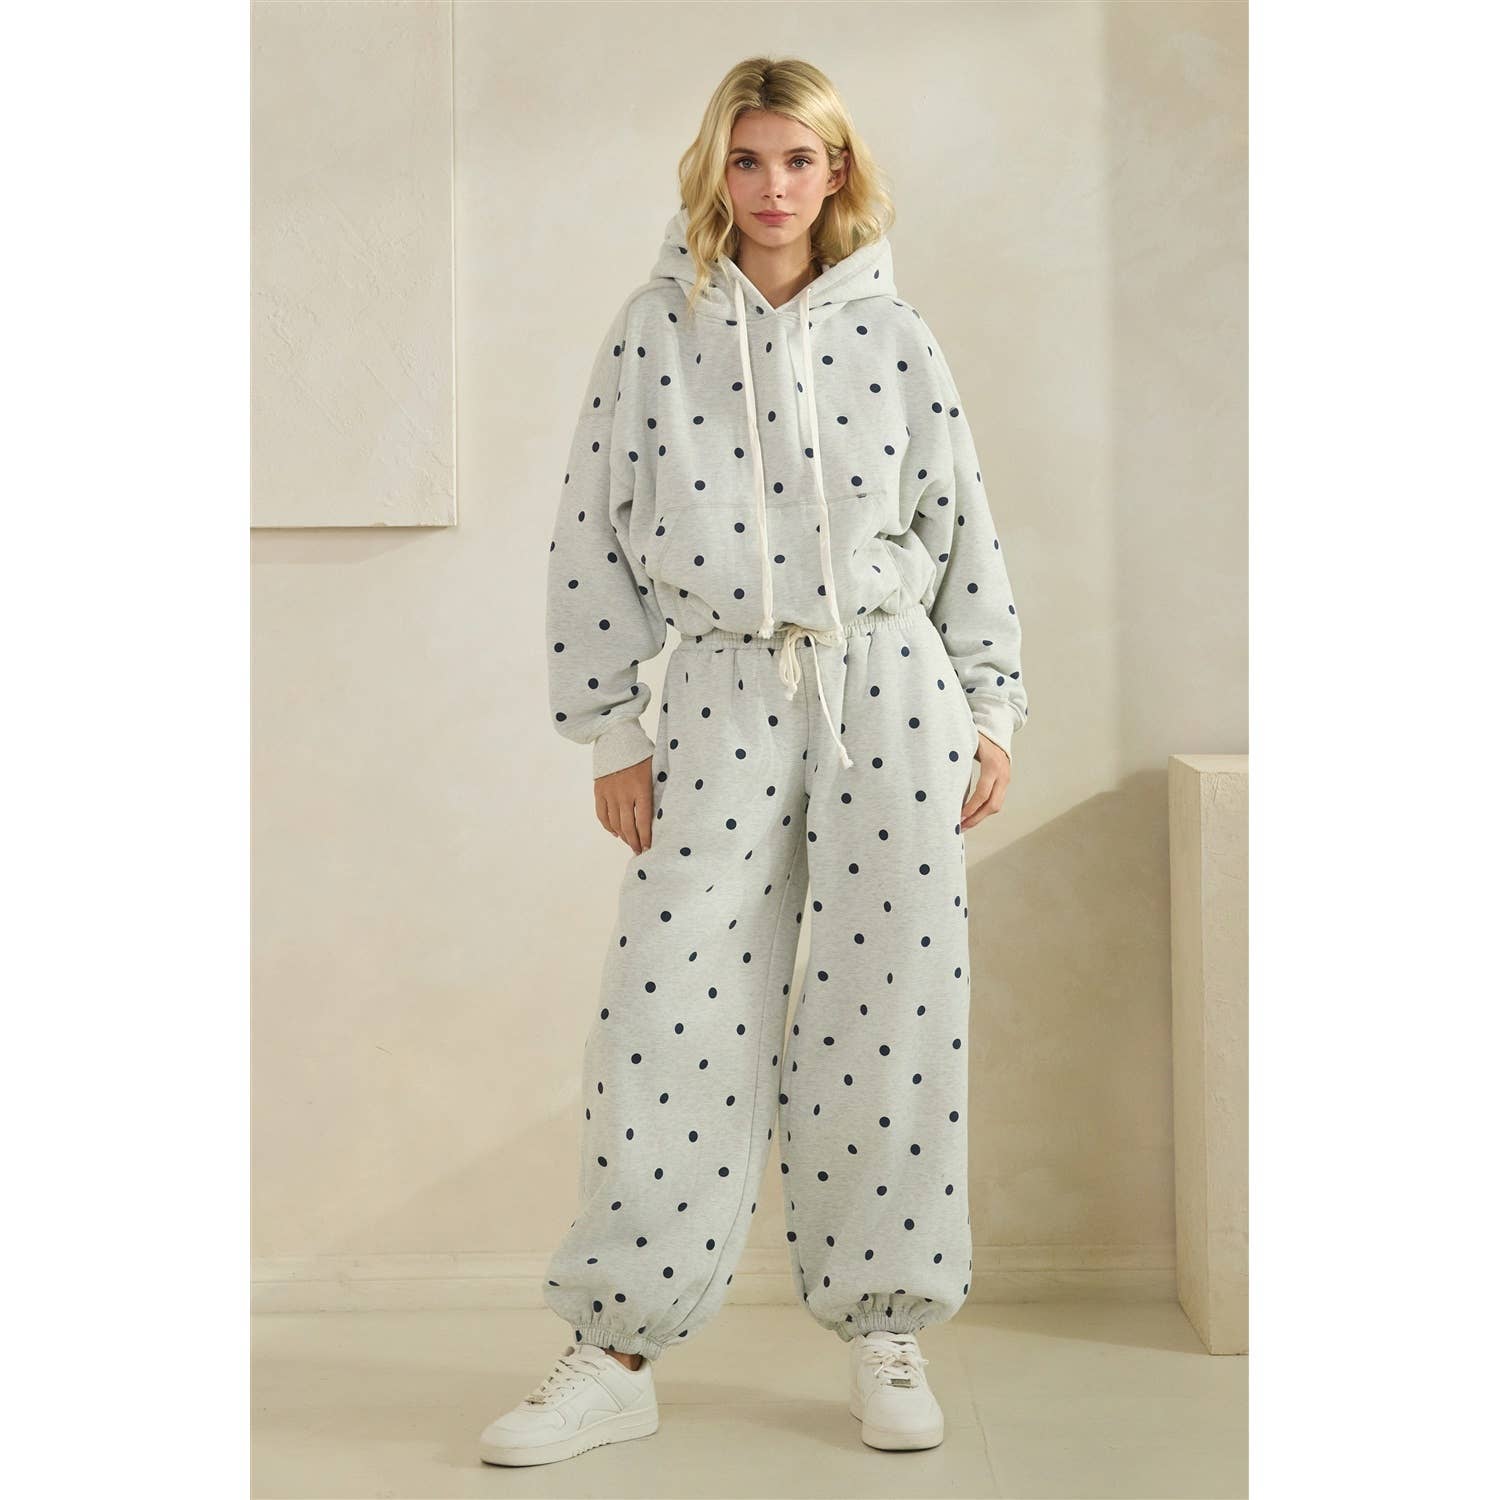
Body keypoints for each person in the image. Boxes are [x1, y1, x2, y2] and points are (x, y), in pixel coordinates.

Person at [480, 54, 1028, 1469]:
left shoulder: (895, 336)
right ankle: (615, 1352)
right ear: (714, 171)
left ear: (836, 172)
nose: (773, 186)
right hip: (719, 692)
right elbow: (591, 528)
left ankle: (887, 1327)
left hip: (890, 690)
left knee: (893, 1009)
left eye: (798, 159)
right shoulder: (653, 330)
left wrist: (991, 708)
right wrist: (612, 726)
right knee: (665, 1011)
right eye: (747, 159)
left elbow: (961, 521)